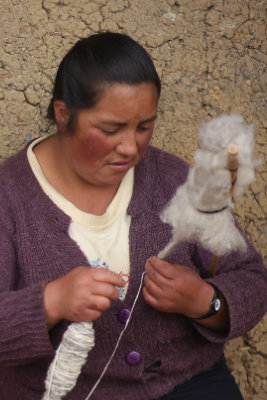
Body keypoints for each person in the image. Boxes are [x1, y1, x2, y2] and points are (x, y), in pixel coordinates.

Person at [0, 31, 266, 400]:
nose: (131, 147)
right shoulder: (8, 199)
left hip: (189, 383)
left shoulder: (171, 178)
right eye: (111, 129)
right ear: (64, 115)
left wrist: (206, 301)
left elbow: (252, 278)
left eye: (145, 126)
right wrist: (51, 302)